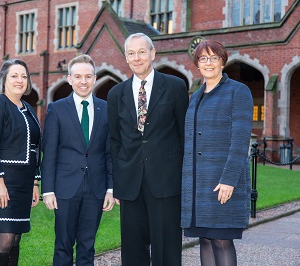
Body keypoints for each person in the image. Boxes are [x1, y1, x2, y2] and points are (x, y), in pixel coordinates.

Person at [107, 33, 189, 265]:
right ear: (126, 58)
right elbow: (115, 141)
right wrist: (117, 182)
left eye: (142, 52)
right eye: (131, 53)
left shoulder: (175, 86)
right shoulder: (115, 94)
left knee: (167, 247)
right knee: (133, 250)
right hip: (130, 182)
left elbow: (184, 134)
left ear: (153, 54)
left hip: (166, 180)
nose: (137, 57)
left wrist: (184, 177)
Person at [181, 40, 253, 266]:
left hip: (222, 183)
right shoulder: (195, 97)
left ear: (223, 61)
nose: (208, 63)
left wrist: (229, 180)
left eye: (213, 58)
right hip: (198, 186)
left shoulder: (238, 91)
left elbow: (240, 140)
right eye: (203, 58)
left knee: (222, 240)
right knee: (205, 239)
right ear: (197, 64)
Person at [41, 54, 115, 265]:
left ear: (95, 78)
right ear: (69, 79)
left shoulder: (106, 109)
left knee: (87, 245)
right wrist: (48, 190)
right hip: (64, 189)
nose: (83, 81)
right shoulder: (56, 109)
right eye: (78, 76)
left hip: (96, 188)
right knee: (63, 244)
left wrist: (110, 188)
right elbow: (50, 153)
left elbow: (109, 153)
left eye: (88, 76)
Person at [0, 59, 41, 265]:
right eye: (14, 76)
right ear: (4, 79)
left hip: (23, 184)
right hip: (3, 183)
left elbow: (36, 147)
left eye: (24, 76)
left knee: (15, 239)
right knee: (4, 239)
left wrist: (35, 183)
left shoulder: (29, 109)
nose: (20, 80)